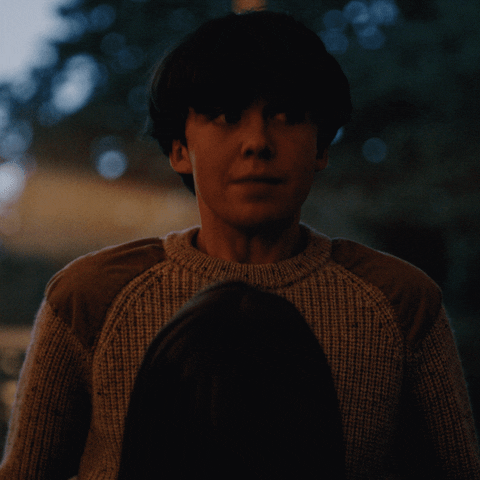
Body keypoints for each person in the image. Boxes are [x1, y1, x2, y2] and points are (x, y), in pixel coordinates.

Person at [0, 9, 479, 480]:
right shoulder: (91, 296)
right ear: (179, 149)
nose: (257, 142)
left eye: (287, 116)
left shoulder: (400, 301)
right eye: (226, 117)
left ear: (321, 147)